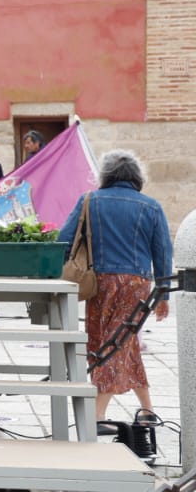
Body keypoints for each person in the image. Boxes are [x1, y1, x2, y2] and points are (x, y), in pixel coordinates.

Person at [55, 150, 173, 422]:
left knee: (108, 343)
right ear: (137, 177)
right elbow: (163, 252)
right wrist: (163, 294)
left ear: (105, 175)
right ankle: (147, 409)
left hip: (101, 282)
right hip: (137, 284)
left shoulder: (89, 201)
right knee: (122, 340)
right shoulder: (151, 206)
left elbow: (64, 239)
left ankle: (97, 415)